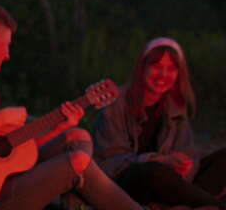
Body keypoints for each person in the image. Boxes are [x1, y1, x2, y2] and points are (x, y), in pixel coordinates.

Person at [0, 1, 142, 210]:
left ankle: (72, 205)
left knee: (77, 136)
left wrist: (59, 126)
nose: (8, 55)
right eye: (7, 44)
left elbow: (12, 155)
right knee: (79, 161)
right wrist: (3, 117)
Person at [93, 37, 226, 209]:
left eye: (171, 69)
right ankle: (214, 205)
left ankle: (186, 203)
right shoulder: (116, 104)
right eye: (156, 66)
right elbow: (109, 162)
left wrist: (185, 166)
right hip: (127, 185)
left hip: (170, 185)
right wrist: (158, 160)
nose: (163, 75)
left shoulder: (176, 106)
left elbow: (189, 154)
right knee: (154, 171)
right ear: (142, 68)